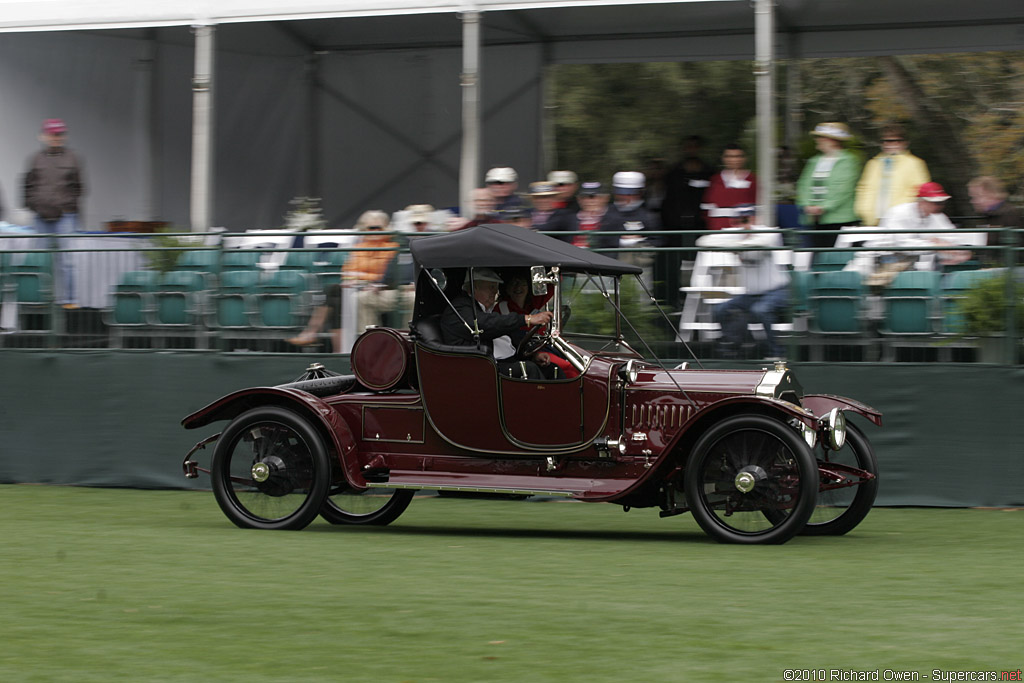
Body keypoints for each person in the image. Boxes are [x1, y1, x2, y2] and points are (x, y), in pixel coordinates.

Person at [287, 210, 397, 349]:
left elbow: (385, 276)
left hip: (378, 288)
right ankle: (336, 348)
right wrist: (353, 279)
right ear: (364, 229)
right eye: (371, 228)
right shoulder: (359, 247)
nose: (374, 231)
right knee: (334, 293)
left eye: (378, 228)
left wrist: (360, 278)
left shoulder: (392, 248)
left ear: (386, 228)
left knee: (335, 294)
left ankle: (313, 333)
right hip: (357, 286)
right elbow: (347, 271)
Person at [696, 205, 790, 360]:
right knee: (720, 309)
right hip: (750, 295)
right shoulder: (735, 235)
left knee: (761, 310)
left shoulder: (768, 233)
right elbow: (703, 240)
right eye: (738, 220)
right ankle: (743, 346)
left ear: (754, 218)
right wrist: (735, 242)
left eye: (747, 219)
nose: (743, 223)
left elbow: (762, 242)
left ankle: (777, 352)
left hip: (777, 291)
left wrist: (734, 244)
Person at [440, 268, 553, 379]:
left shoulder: (480, 308)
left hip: (502, 360)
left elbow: (504, 334)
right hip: (480, 367)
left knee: (550, 368)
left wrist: (533, 355)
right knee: (529, 369)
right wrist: (527, 319)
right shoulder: (460, 308)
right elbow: (486, 324)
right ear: (474, 288)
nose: (495, 292)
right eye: (491, 287)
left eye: (495, 287)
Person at [23, 118, 85, 309]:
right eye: (52, 134)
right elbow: (27, 185)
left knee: (66, 259)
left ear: (64, 136)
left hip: (65, 216)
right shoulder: (35, 159)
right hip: (41, 216)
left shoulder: (73, 158)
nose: (55, 138)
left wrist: (67, 206)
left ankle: (69, 300)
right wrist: (33, 205)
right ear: (43, 136)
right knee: (39, 259)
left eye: (59, 134)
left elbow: (79, 187)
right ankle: (39, 300)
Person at [496, 268, 577, 379]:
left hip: (543, 345)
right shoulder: (501, 309)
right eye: (514, 284)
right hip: (525, 352)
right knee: (569, 367)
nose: (518, 287)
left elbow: (552, 285)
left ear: (528, 287)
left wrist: (555, 268)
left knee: (579, 360)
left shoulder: (533, 304)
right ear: (507, 288)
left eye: (523, 284)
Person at [796, 122, 861, 249]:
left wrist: (824, 207)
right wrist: (806, 205)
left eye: (821, 137)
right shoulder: (814, 161)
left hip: (841, 220)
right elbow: (803, 184)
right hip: (815, 220)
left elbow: (844, 188)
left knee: (837, 259)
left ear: (833, 141)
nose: (817, 140)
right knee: (818, 259)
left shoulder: (849, 160)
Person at [855, 124, 931, 227]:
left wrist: (898, 213)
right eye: (885, 141)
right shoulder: (873, 164)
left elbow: (921, 192)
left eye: (895, 140)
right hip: (873, 222)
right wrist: (864, 210)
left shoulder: (915, 163)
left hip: (902, 222)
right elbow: (864, 188)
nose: (889, 144)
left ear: (905, 143)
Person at [967, 176, 1022, 267]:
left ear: (990, 194)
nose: (973, 201)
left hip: (1005, 269)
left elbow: (1014, 249)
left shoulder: (1009, 214)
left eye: (976, 197)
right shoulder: (988, 215)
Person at [702, 144, 757, 230]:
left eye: (738, 156)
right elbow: (706, 208)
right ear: (723, 159)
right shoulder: (715, 180)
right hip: (718, 233)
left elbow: (758, 207)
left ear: (744, 158)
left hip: (744, 233)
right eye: (729, 156)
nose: (734, 160)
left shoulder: (753, 180)